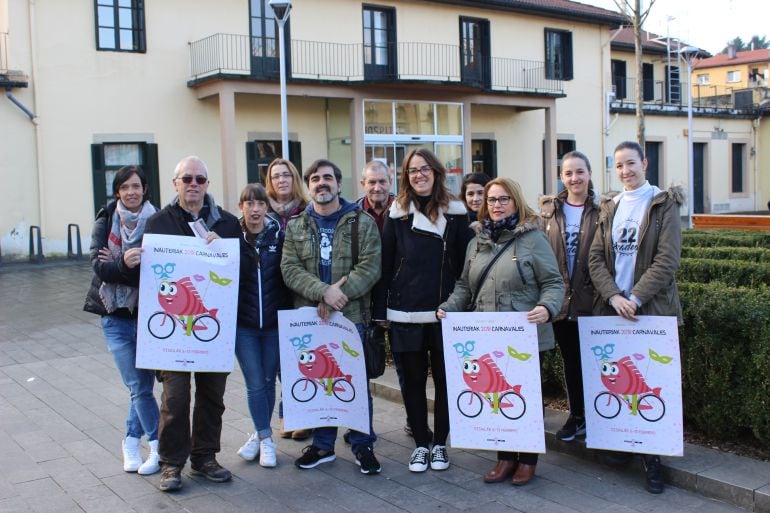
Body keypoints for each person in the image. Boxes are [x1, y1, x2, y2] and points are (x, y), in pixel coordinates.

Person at [438, 177, 564, 486]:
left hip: (524, 336)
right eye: (492, 200)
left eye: (503, 199)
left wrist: (547, 307)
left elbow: (553, 282)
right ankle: (504, 457)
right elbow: (465, 286)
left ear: (516, 202)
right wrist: (449, 307)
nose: (496, 205)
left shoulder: (533, 239)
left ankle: (527, 460)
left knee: (525, 398)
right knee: (494, 394)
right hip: (487, 337)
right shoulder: (476, 241)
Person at [145, 156, 247, 492]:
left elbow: (247, 266)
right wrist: (131, 261)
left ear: (207, 184)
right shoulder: (159, 223)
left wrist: (228, 252)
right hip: (173, 331)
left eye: (200, 179)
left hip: (209, 330)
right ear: (175, 183)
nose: (193, 184)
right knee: (174, 398)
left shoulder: (230, 224)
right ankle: (171, 464)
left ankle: (204, 458)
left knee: (212, 396)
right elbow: (147, 274)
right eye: (186, 178)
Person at [588, 141, 684, 495]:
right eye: (619, 166)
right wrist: (613, 296)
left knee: (649, 381)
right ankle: (623, 444)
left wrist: (635, 297)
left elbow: (668, 259)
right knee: (619, 380)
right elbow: (595, 258)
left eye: (631, 163)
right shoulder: (610, 206)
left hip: (650, 311)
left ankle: (653, 458)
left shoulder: (663, 203)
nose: (626, 171)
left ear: (644, 163)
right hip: (614, 310)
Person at [281, 158, 383, 475]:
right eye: (315, 179)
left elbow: (370, 266)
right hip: (312, 317)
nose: (321, 183)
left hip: (351, 316)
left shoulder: (361, 222)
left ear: (339, 184)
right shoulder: (296, 225)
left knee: (355, 381)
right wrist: (322, 292)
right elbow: (289, 268)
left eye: (328, 177)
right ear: (308, 186)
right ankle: (323, 446)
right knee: (320, 379)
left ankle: (362, 444)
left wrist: (339, 295)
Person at [373, 148, 473, 473]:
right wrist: (380, 308)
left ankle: (440, 443)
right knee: (412, 383)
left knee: (446, 381)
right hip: (405, 311)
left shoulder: (457, 212)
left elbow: (464, 265)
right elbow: (385, 263)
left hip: (446, 312)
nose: (419, 174)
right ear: (406, 176)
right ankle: (420, 444)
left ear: (436, 172)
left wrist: (463, 304)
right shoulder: (397, 212)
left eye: (425, 169)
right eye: (413, 170)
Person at [83, 165, 160, 475]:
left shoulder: (158, 221)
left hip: (147, 316)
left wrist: (121, 266)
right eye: (125, 186)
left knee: (141, 385)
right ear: (117, 191)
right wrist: (127, 265)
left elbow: (162, 269)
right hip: (113, 316)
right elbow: (99, 268)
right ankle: (158, 446)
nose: (131, 191)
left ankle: (130, 440)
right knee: (138, 385)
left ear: (144, 189)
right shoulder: (104, 221)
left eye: (136, 186)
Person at [538, 151, 599, 443]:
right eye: (568, 173)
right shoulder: (550, 212)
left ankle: (600, 420)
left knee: (597, 363)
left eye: (579, 172)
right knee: (571, 362)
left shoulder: (603, 210)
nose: (574, 178)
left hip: (593, 301)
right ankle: (576, 417)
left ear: (589, 174)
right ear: (561, 177)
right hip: (562, 301)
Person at [234, 184, 292, 467]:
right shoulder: (230, 238)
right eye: (249, 203)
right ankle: (267, 439)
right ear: (240, 206)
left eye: (260, 204)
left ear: (267, 208)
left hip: (273, 324)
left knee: (268, 381)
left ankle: (258, 436)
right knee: (255, 382)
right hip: (242, 325)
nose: (255, 209)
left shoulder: (281, 238)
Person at [264, 157, 311, 441]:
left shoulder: (307, 210)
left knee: (301, 357)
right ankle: (287, 415)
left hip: (301, 293)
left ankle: (301, 415)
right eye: (275, 176)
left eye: (286, 175)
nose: (281, 180)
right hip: (272, 294)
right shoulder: (261, 211)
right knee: (281, 360)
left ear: (294, 179)